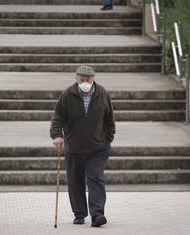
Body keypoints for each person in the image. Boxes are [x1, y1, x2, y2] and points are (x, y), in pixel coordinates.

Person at [50, 65, 116, 227]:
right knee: (75, 180)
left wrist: (107, 140)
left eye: (88, 79)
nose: (85, 82)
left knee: (96, 178)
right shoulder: (68, 94)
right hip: (74, 147)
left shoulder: (102, 93)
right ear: (76, 79)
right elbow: (57, 118)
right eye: (82, 79)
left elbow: (109, 119)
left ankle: (97, 214)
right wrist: (57, 136)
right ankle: (79, 213)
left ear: (93, 79)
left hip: (98, 147)